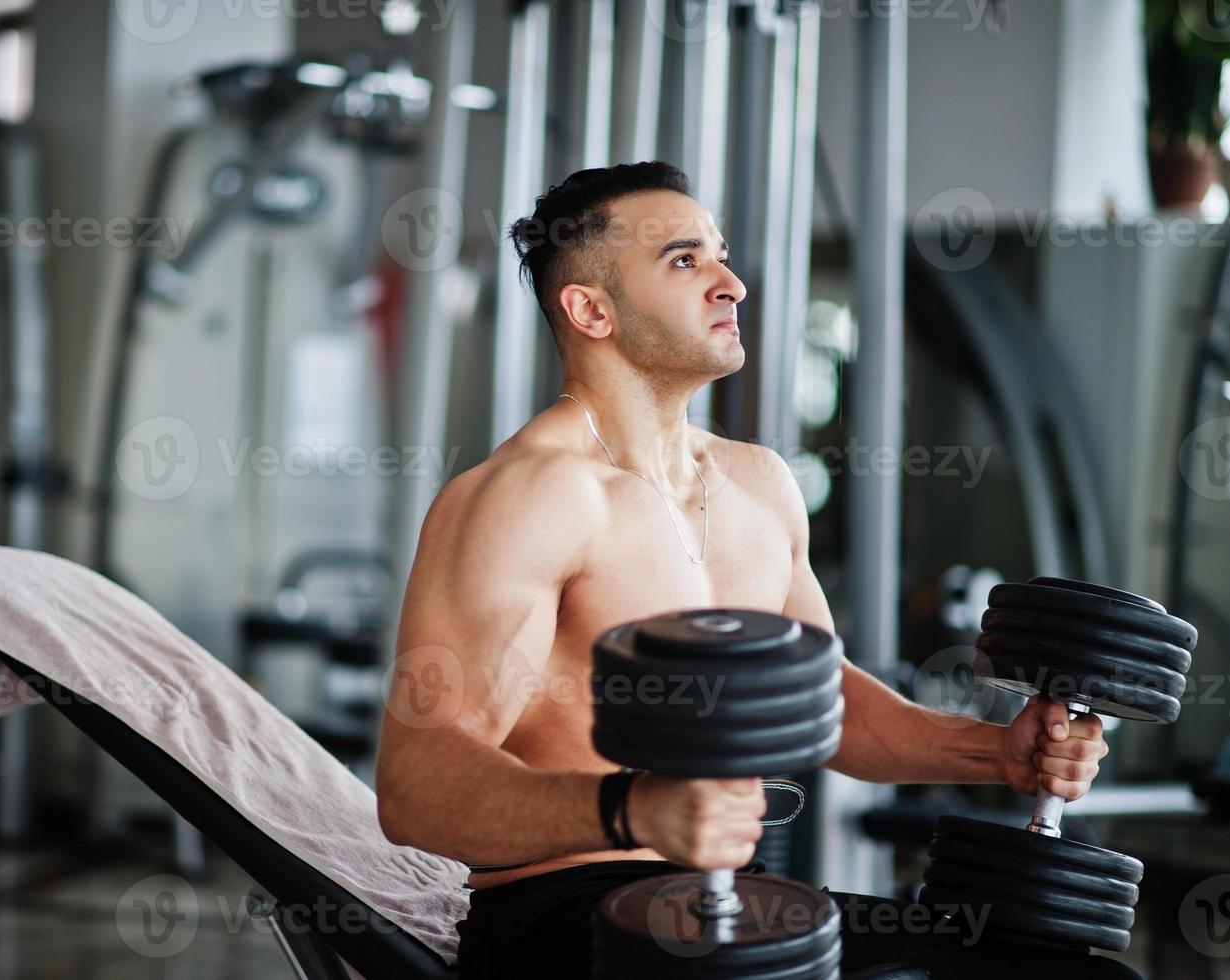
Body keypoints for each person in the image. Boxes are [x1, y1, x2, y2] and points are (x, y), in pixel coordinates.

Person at [374, 162, 1133, 979]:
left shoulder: (758, 482)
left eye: (721, 255)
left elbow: (825, 703)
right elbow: (416, 784)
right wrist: (633, 811)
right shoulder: (527, 497)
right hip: (571, 917)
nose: (731, 283)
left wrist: (997, 754)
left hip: (742, 903)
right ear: (589, 309)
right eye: (684, 260)